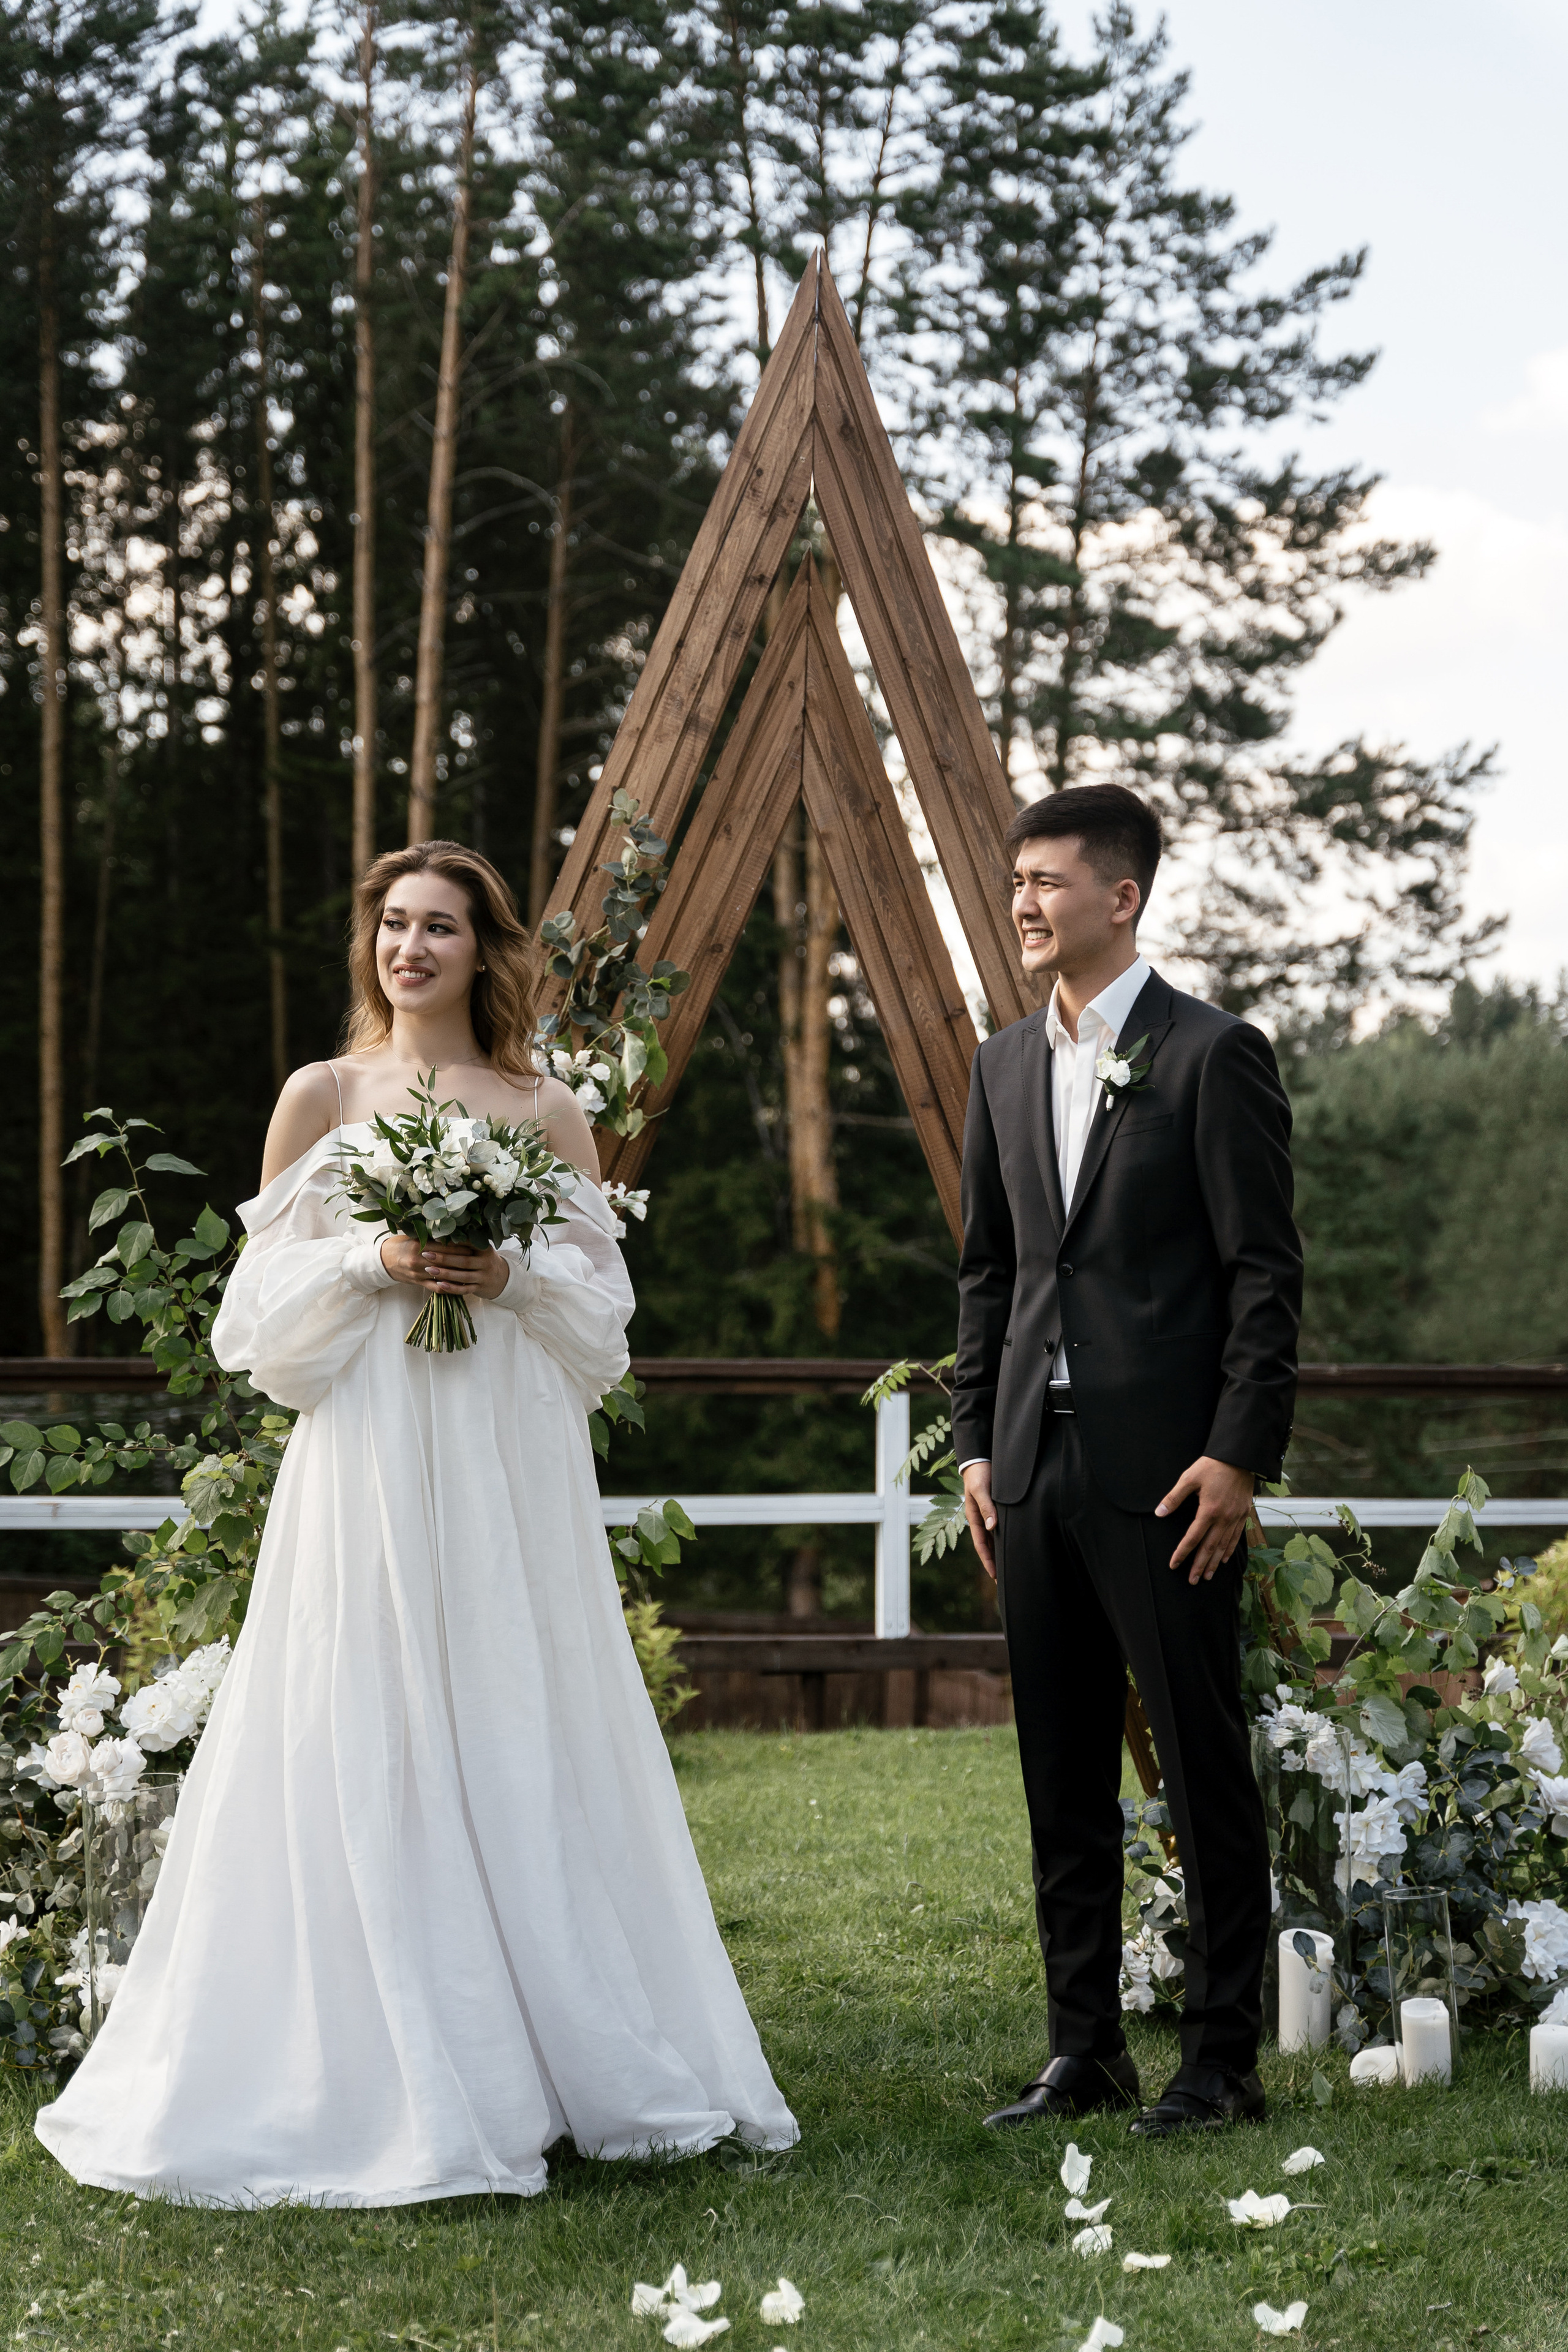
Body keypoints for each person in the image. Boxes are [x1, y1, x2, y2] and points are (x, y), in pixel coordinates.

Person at [36, 839, 796, 2205]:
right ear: (370, 945)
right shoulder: (320, 1096)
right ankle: (373, 2057)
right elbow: (253, 1331)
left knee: (509, 1712)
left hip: (503, 1465)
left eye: (441, 927)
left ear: (486, 950)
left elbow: (605, 1328)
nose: (411, 949)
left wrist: (501, 1276)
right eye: (394, 925)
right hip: (370, 1459)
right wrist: (368, 1255)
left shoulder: (543, 1107)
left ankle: (556, 2054)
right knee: (362, 1709)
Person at [952, 785, 1300, 2139]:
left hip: (1168, 1480)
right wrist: (976, 1446)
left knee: (1198, 1763)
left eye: (1046, 880)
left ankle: (1221, 2063)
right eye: (1014, 881)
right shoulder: (999, 1065)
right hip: (1030, 1474)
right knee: (1059, 1767)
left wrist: (1235, 1454)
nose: (1024, 901)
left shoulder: (1212, 1057)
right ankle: (1080, 2052)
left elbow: (1263, 1276)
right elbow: (989, 1274)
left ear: (1121, 898)